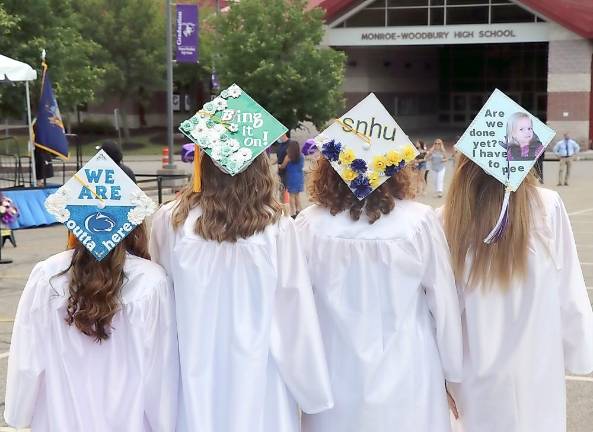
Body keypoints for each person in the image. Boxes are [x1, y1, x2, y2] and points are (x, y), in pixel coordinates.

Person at [150, 153, 333, 432]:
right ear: (259, 166)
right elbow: (293, 311)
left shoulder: (173, 220)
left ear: (204, 164)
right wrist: (311, 388)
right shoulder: (276, 225)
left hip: (194, 360)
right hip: (258, 365)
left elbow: (161, 299)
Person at [298, 146, 462, 431]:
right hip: (408, 367)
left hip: (335, 369)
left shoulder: (310, 224)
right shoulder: (419, 221)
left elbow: (297, 308)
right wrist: (453, 372)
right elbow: (444, 301)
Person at [441, 155, 593, 432]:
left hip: (473, 367)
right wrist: (580, 349)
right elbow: (568, 284)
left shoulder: (446, 217)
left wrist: (442, 375)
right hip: (535, 361)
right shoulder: (546, 206)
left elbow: (439, 309)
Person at [4, 221, 178, 429]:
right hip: (129, 420)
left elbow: (28, 358)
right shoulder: (151, 280)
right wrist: (165, 423)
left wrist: (18, 412)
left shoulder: (48, 274)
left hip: (61, 418)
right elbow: (160, 369)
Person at [279, 140, 305, 217]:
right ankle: (299, 211)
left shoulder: (289, 156)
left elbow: (283, 166)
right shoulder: (301, 156)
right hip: (299, 177)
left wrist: (279, 166)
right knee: (297, 195)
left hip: (291, 177)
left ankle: (293, 213)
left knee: (291, 196)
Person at [275, 134, 289, 200]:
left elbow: (288, 157)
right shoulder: (280, 145)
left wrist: (282, 165)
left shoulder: (290, 144)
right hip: (280, 171)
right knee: (281, 190)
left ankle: (285, 207)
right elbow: (278, 157)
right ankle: (282, 206)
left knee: (285, 190)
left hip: (287, 171)